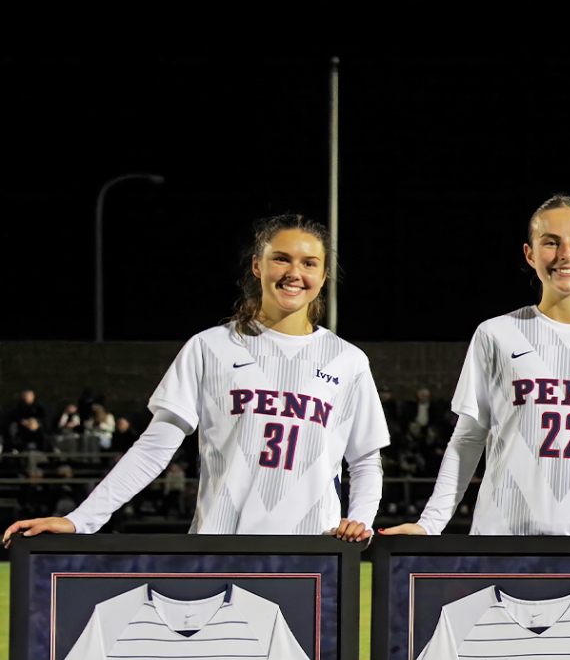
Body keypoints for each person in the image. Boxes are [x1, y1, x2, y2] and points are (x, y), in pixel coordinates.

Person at [4, 216, 387, 545]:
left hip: (317, 552)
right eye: (281, 259)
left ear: (323, 275)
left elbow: (366, 461)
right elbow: (154, 448)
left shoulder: (348, 360)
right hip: (220, 547)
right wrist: (81, 520)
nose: (294, 273)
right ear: (258, 265)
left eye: (309, 263)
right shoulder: (210, 347)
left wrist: (362, 522)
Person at [380, 194, 570, 538]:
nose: (565, 254)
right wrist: (430, 523)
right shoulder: (496, 334)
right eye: (550, 243)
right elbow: (467, 439)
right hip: (504, 540)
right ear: (529, 254)